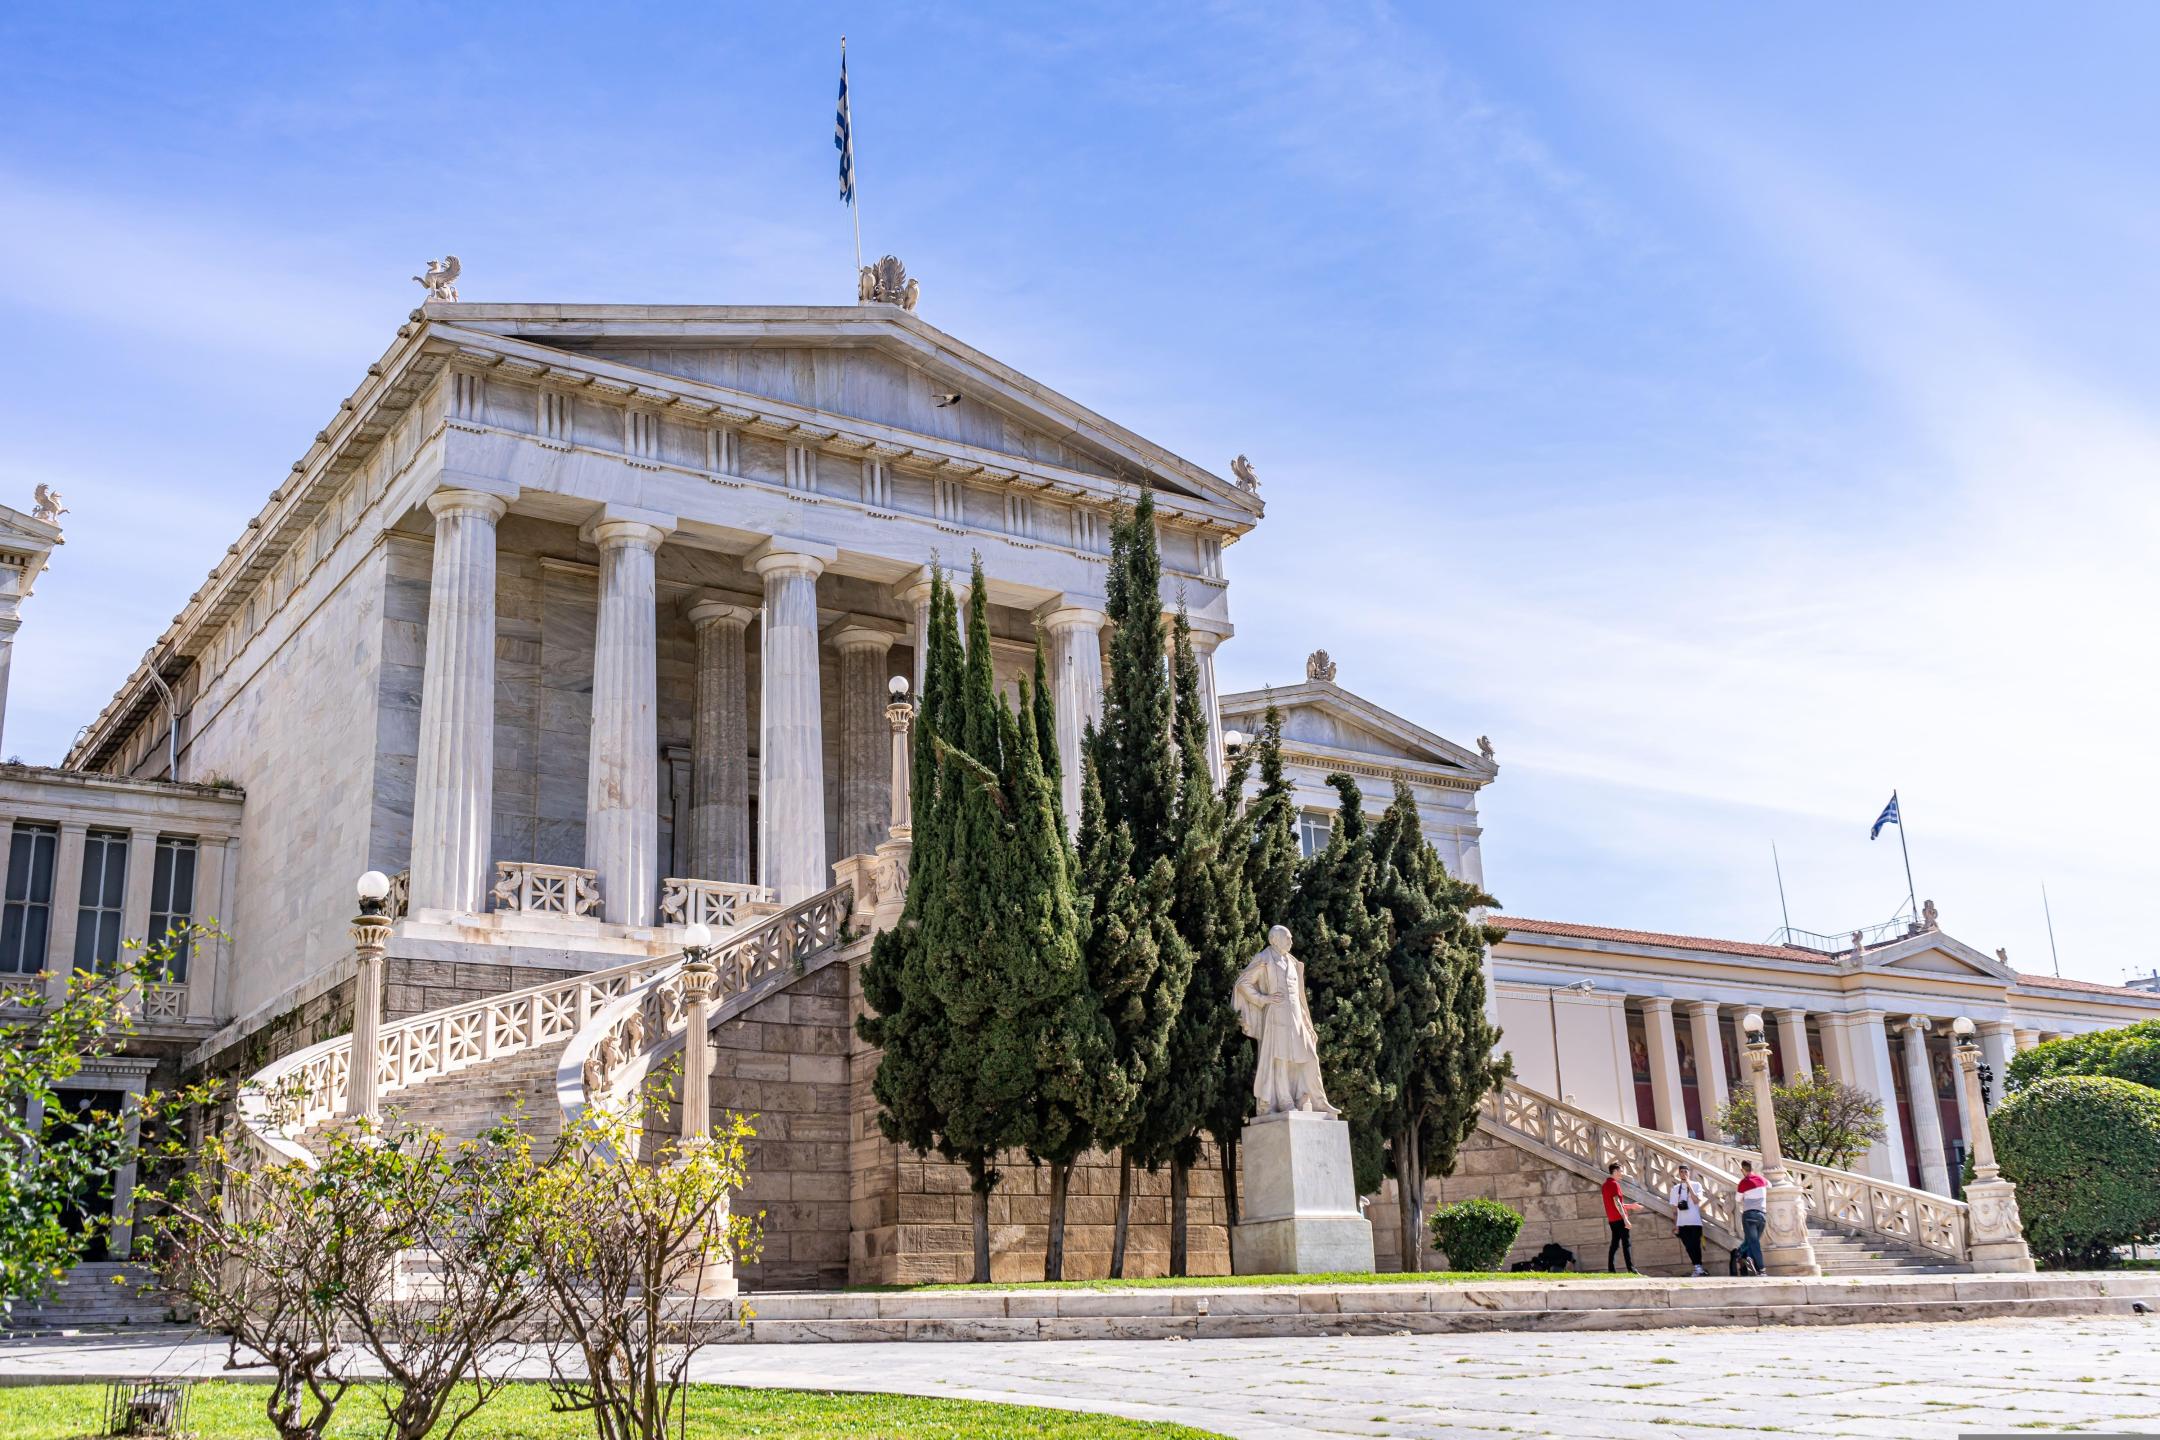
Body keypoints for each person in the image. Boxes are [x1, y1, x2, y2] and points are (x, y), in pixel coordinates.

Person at [1600, 1161, 1639, 1274]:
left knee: (1615, 1244)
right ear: (1615, 1171)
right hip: (1620, 1219)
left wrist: (1631, 1206)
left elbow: (1615, 1204)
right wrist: (1625, 1219)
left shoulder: (1605, 1185)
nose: (1622, 1174)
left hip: (1612, 1220)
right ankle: (1631, 1269)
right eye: (1621, 1171)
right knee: (1626, 1244)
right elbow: (1617, 1202)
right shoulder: (1614, 1184)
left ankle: (1611, 1269)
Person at [1669, 1164, 1707, 1277]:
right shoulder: (1676, 1189)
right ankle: (1697, 1267)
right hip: (1682, 1223)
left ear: (1689, 1173)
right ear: (1679, 1173)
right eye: (1681, 1172)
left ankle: (1698, 1267)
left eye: (1685, 1171)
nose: (1683, 1174)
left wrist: (1689, 1184)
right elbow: (1674, 1209)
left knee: (1696, 1245)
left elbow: (1696, 1201)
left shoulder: (1696, 1185)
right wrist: (1676, 1225)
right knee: (1688, 1246)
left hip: (1695, 1221)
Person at [1735, 1158, 1769, 1276]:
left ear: (1742, 1169)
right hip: (1762, 1215)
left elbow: (1737, 1199)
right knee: (1752, 1241)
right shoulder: (1761, 1179)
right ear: (1752, 1168)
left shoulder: (1744, 1182)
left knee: (1753, 1242)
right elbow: (1769, 1185)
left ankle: (1761, 1269)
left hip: (1749, 1215)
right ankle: (1749, 1257)